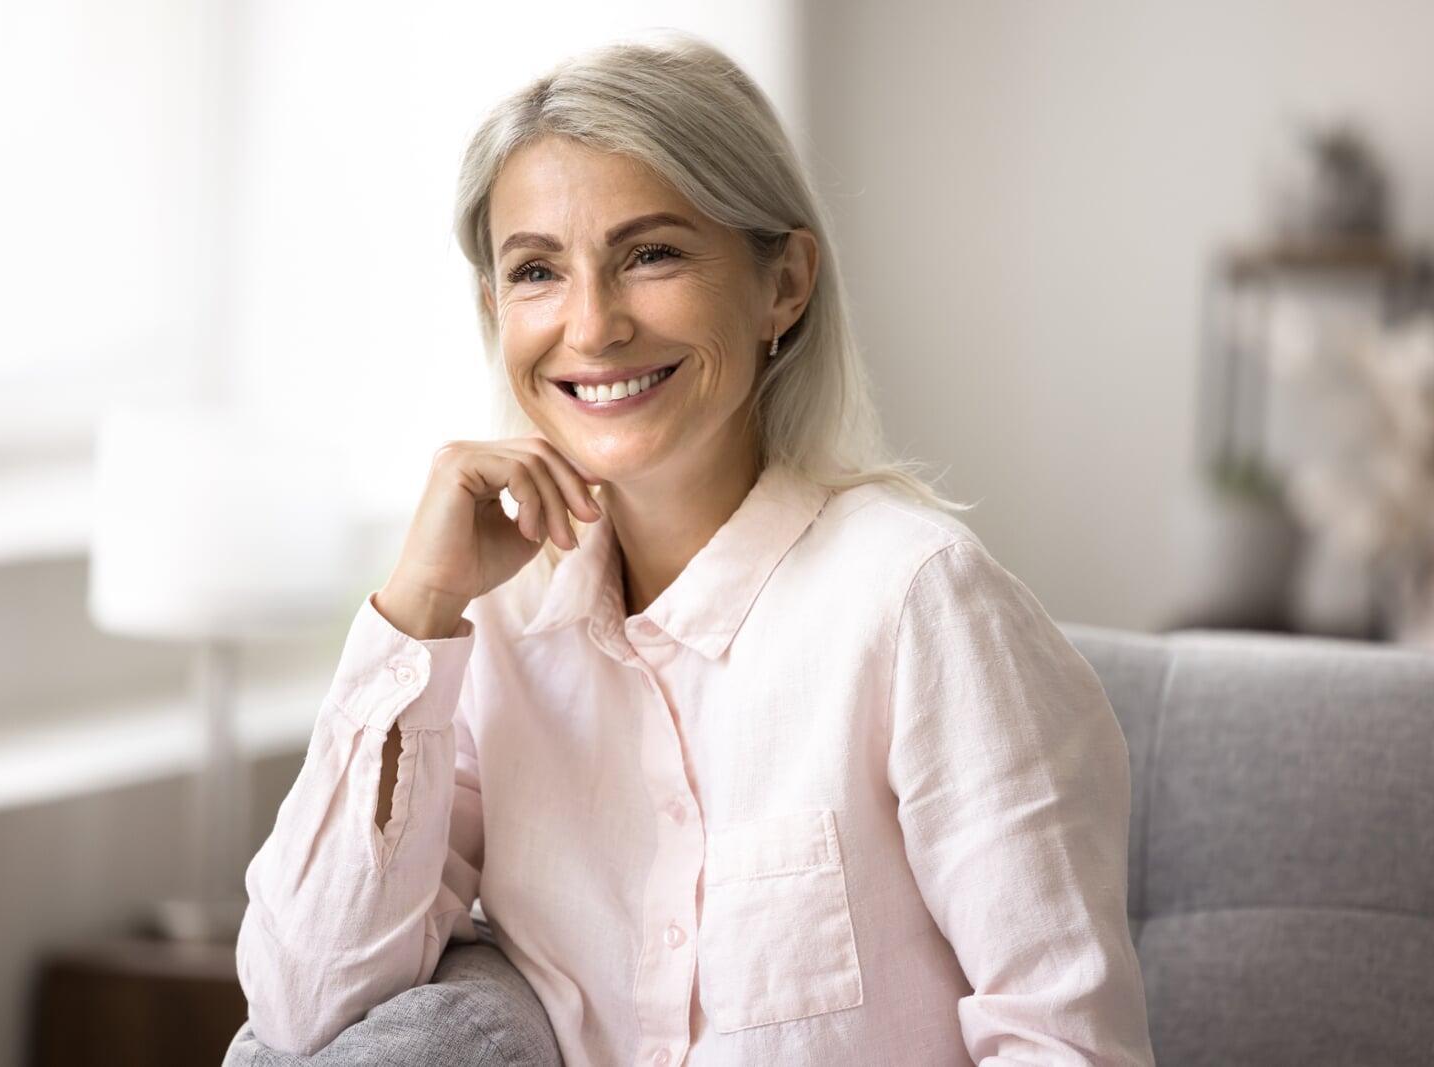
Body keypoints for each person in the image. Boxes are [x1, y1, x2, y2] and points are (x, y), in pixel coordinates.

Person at [232, 29, 1156, 1066]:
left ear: (784, 284)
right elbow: (302, 1001)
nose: (590, 325)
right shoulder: (491, 628)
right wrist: (418, 602)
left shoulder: (915, 602)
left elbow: (1067, 1044)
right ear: (498, 313)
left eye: (651, 254)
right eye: (537, 271)